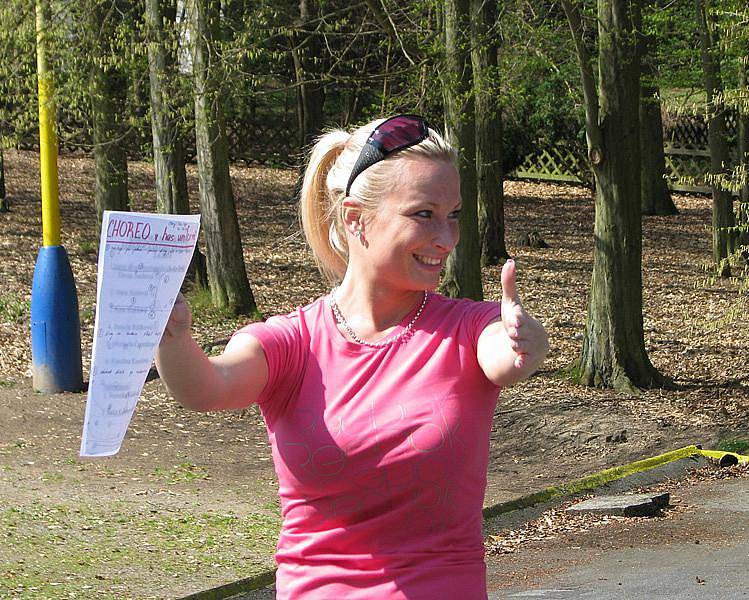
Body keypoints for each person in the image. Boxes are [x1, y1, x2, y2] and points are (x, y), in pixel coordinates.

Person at [155, 114, 549, 599]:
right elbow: (206, 388)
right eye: (424, 214)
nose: (446, 239)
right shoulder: (291, 342)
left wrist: (523, 342)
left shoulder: (467, 329)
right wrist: (171, 338)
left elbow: (504, 357)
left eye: (454, 215)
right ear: (355, 217)